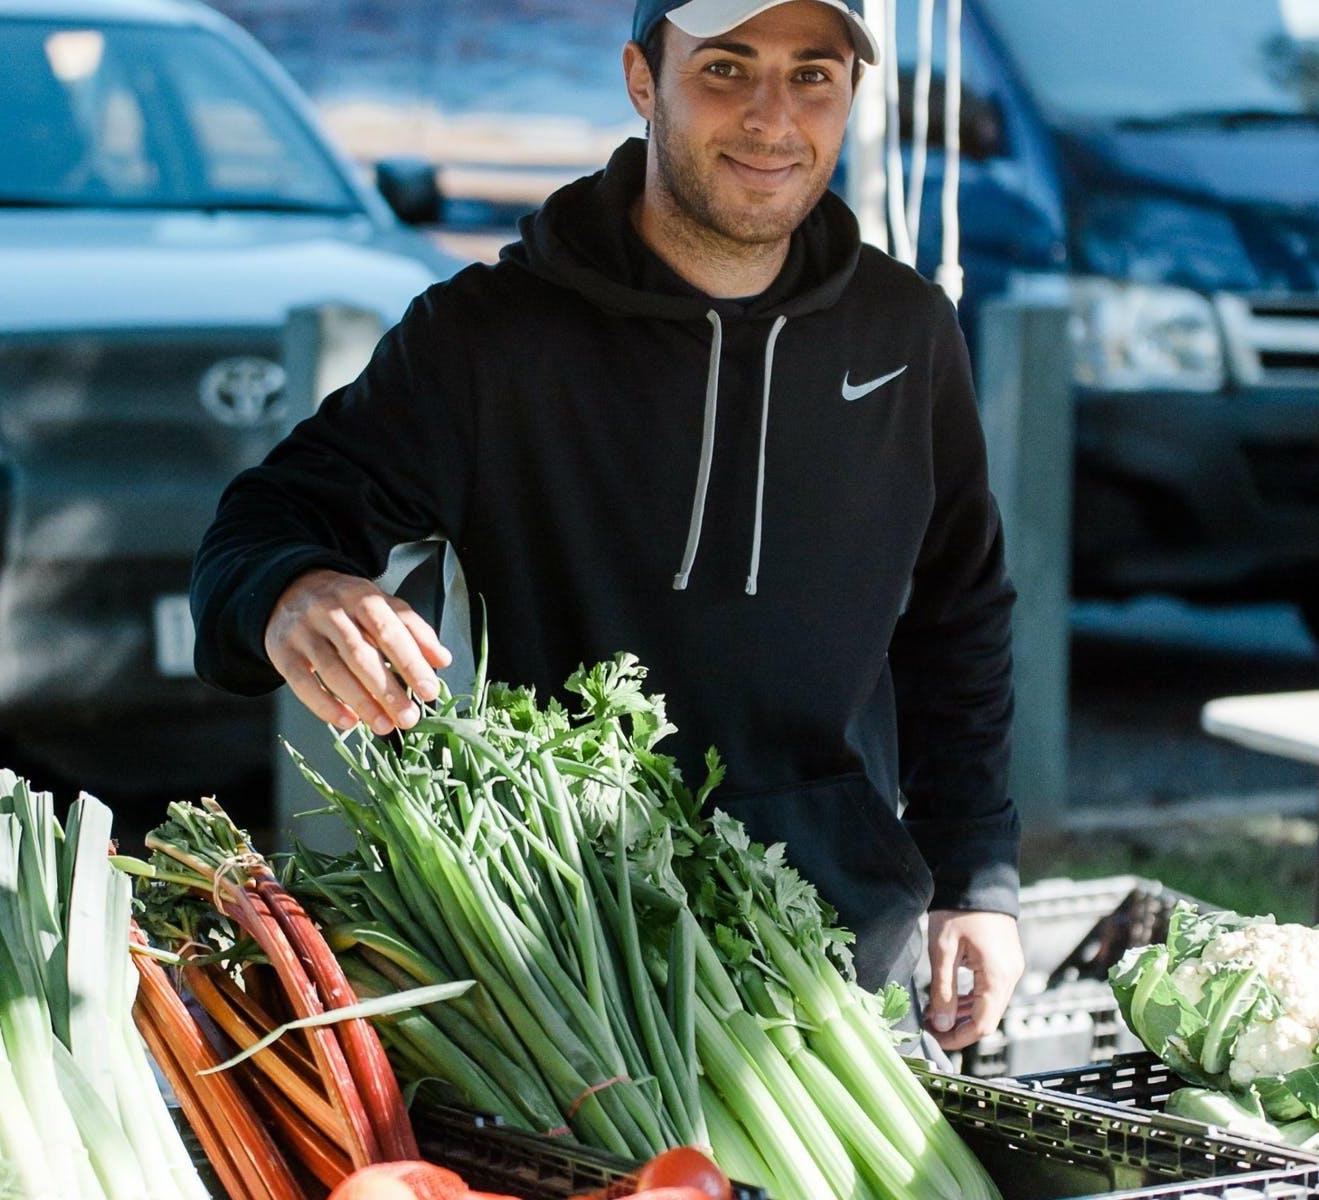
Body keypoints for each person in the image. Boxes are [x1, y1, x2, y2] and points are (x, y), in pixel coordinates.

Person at [191, 0, 1024, 1051]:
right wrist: (294, 588)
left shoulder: (906, 329)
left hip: (842, 952)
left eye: (812, 75)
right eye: (727, 68)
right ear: (643, 78)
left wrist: (976, 871)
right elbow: (263, 522)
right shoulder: (491, 337)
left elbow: (959, 609)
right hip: (566, 966)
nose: (774, 117)